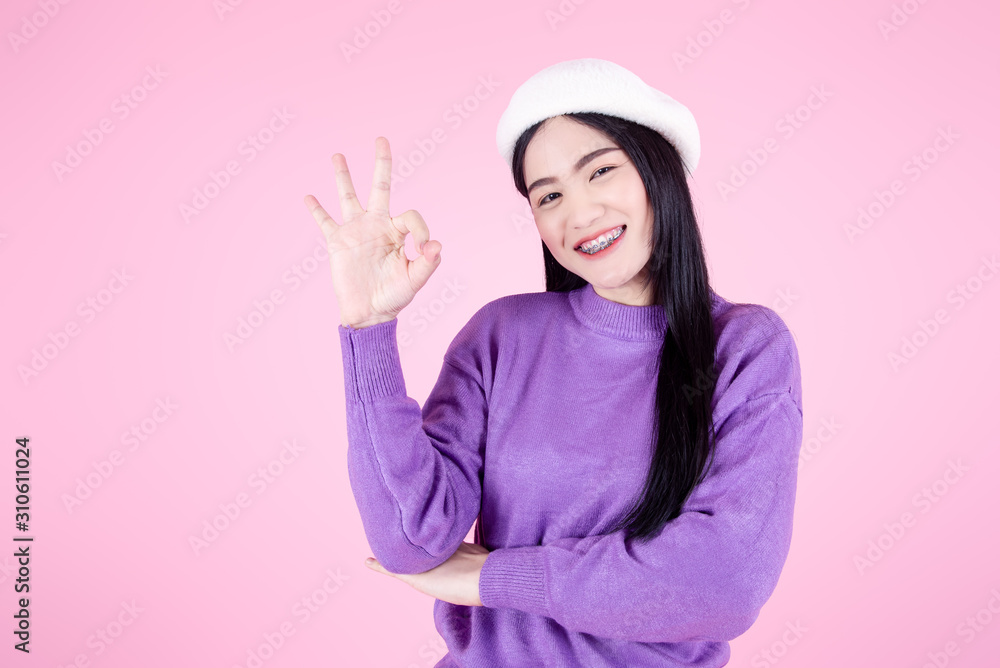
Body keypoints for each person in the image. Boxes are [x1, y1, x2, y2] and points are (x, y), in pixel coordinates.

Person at [304, 58, 804, 668]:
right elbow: (411, 539)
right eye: (549, 196)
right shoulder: (503, 335)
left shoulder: (745, 348)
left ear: (659, 169)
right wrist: (368, 329)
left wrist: (492, 578)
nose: (580, 213)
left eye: (601, 171)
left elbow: (723, 582)